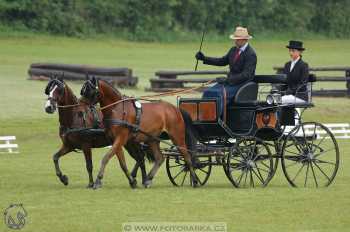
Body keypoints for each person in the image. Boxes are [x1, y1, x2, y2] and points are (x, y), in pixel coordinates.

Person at [195, 26, 257, 117]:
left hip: (242, 84)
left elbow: (246, 75)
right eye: (235, 39)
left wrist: (227, 80)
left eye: (237, 39)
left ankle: (216, 119)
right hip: (230, 82)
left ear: (244, 40)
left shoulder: (251, 54)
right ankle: (203, 117)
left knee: (218, 94)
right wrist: (204, 58)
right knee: (208, 92)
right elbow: (222, 61)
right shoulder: (233, 50)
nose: (235, 41)